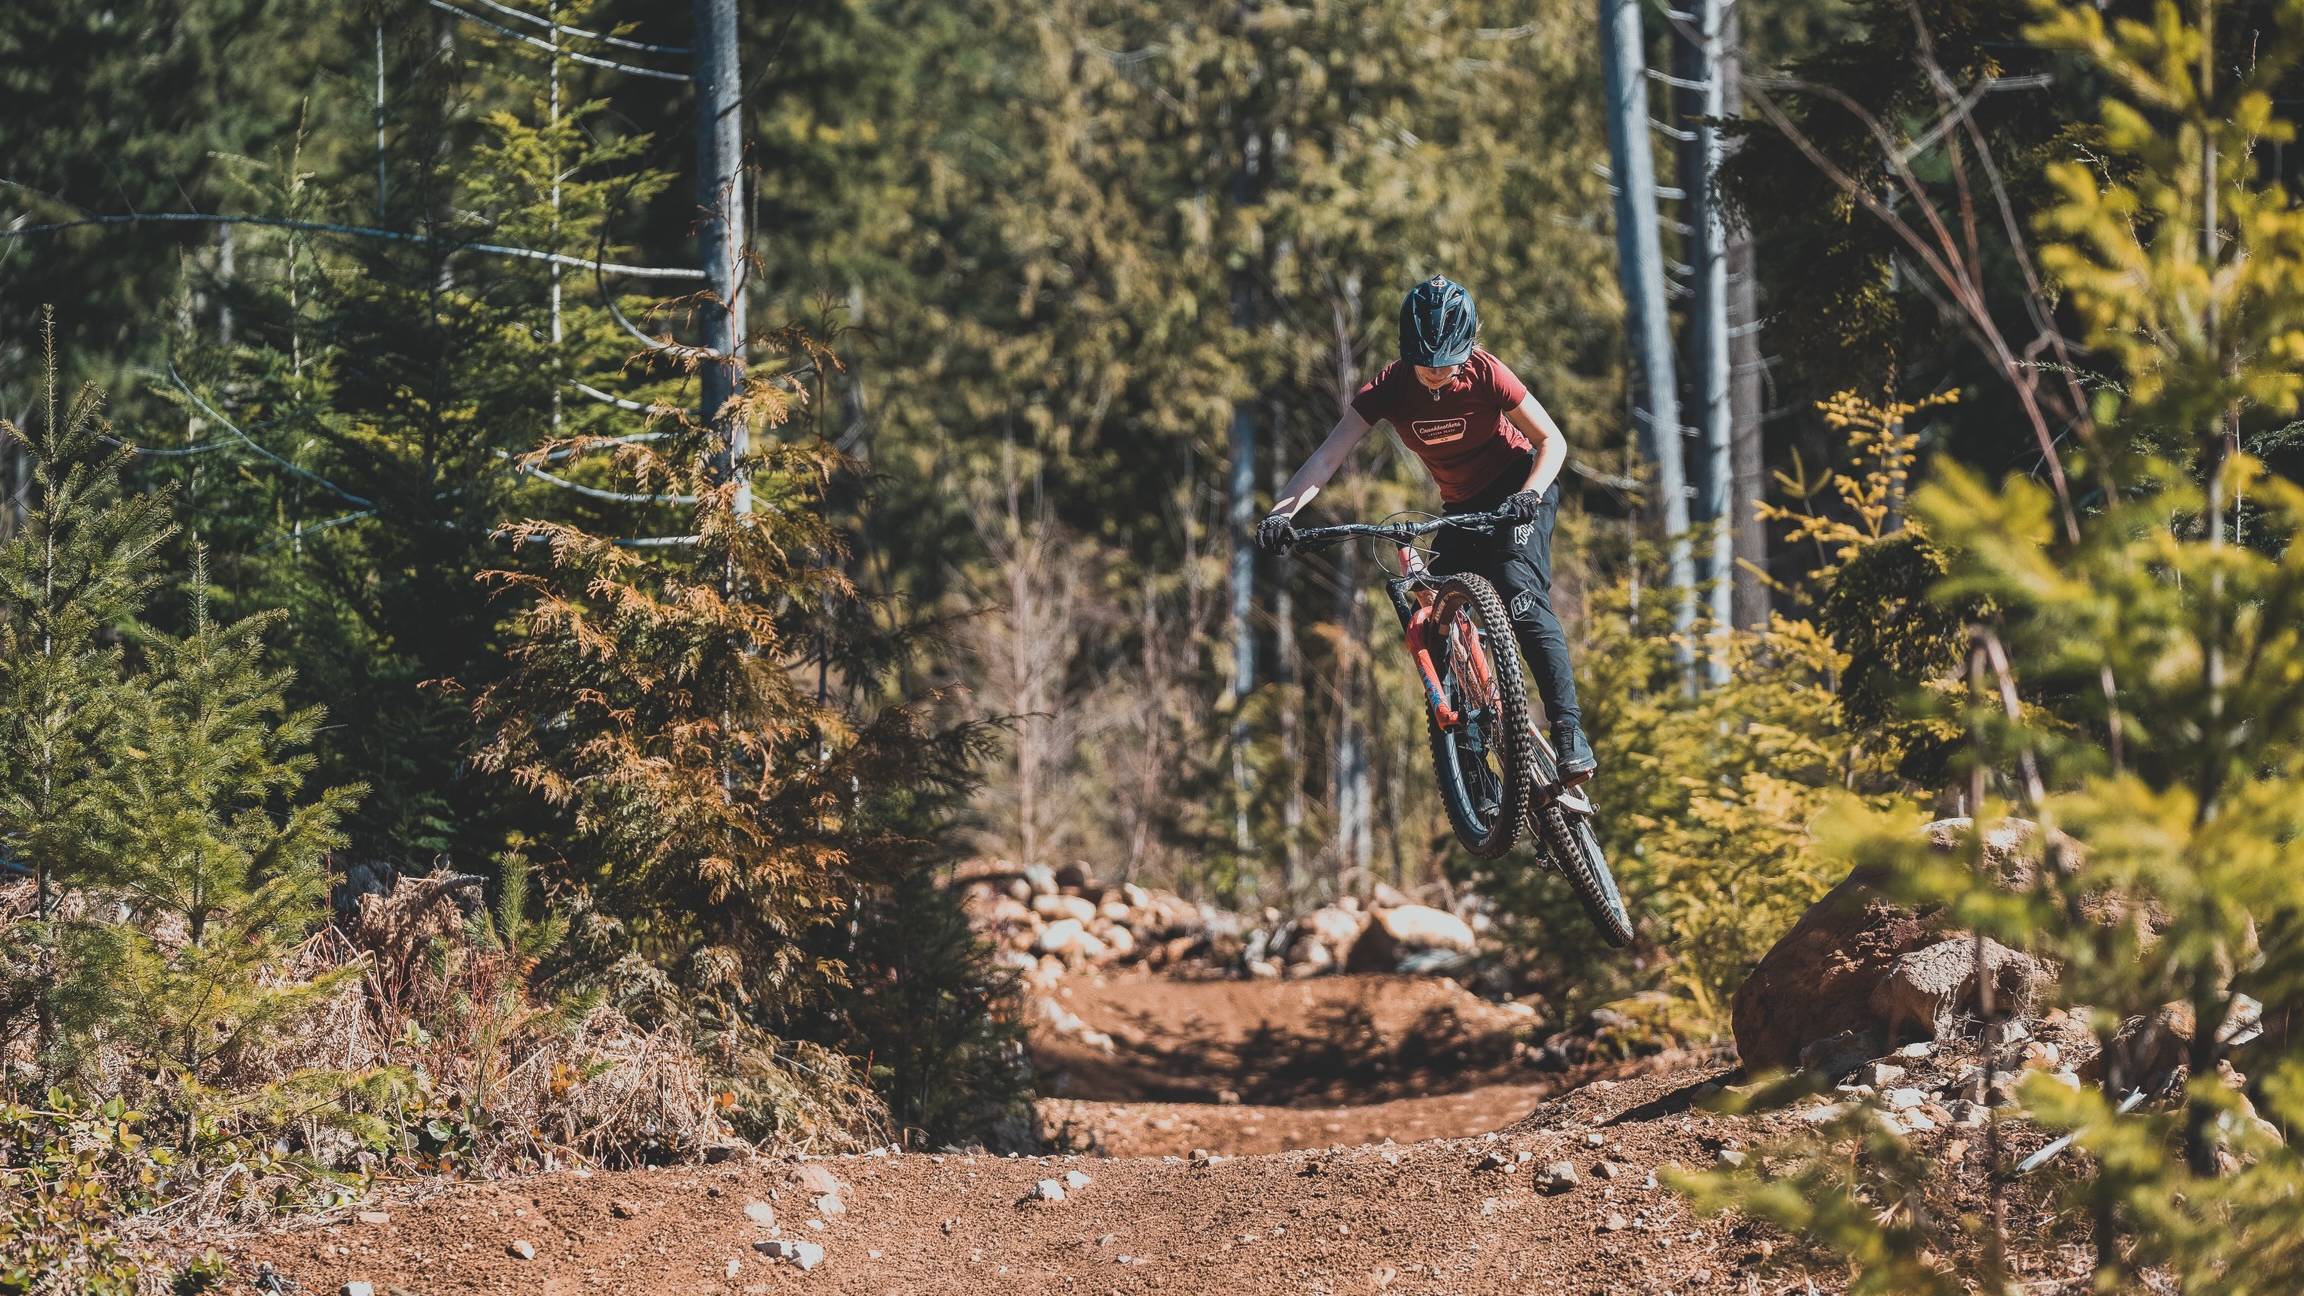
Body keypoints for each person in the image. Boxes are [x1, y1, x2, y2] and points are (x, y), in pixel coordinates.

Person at [1256, 275, 1595, 783]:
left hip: (1522, 487)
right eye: (1426, 364)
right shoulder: (1390, 389)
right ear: (1406, 352)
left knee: (1519, 594)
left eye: (1447, 362)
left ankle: (1570, 734)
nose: (1436, 374)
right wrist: (1283, 514)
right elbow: (1328, 455)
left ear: (1468, 348)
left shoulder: (1487, 374)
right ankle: (1476, 769)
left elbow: (1553, 441)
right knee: (1435, 615)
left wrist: (1529, 494)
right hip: (1460, 506)